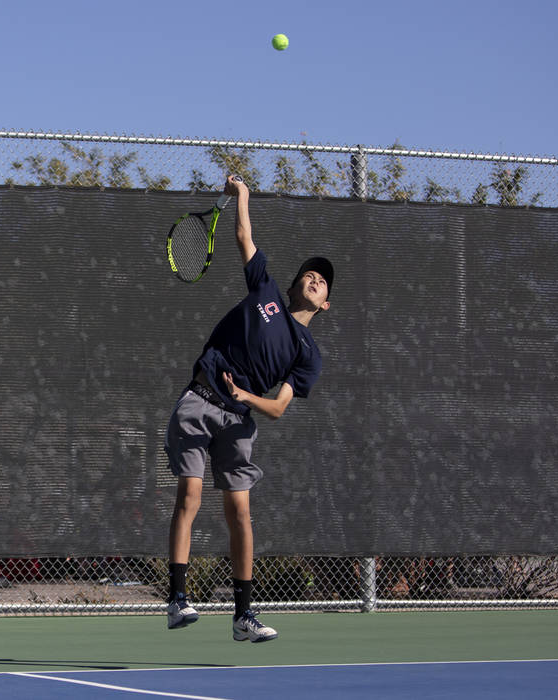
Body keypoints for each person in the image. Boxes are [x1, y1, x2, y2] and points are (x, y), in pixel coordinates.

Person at [163, 175, 334, 643]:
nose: (315, 280)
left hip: (239, 422)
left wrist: (245, 399)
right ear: (298, 281)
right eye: (311, 274)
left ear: (325, 303)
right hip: (199, 402)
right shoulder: (266, 290)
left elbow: (277, 408)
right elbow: (243, 237)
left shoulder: (308, 354)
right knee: (190, 499)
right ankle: (177, 600)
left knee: (240, 513)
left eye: (323, 283)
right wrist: (242, 196)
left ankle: (243, 616)